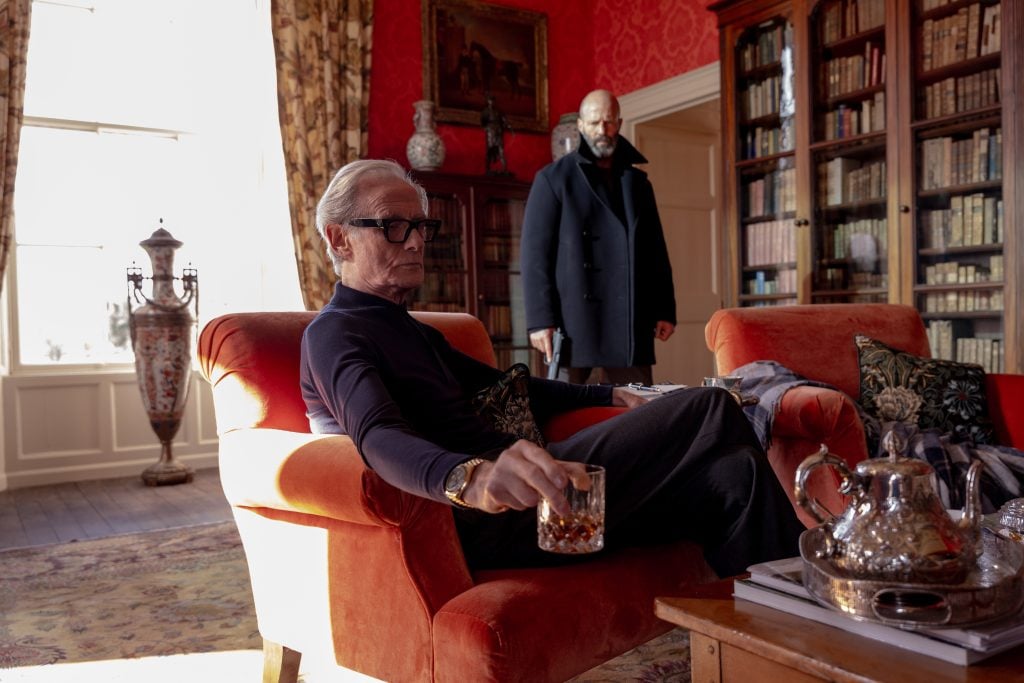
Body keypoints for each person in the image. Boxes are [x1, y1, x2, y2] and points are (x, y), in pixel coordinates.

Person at [299, 158, 803, 577]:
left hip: (533, 491)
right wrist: (472, 480)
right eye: (393, 226)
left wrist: (609, 395)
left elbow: (510, 386)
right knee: (711, 405)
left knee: (735, 475)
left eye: (420, 227)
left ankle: (773, 630)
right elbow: (377, 434)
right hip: (487, 514)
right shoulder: (334, 334)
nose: (415, 242)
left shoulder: (412, 331)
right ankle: (812, 581)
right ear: (340, 239)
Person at [521, 89, 675, 385]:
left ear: (619, 123)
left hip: (629, 320)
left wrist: (664, 309)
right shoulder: (553, 179)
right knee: (561, 408)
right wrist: (540, 321)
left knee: (640, 408)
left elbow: (655, 251)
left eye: (608, 121)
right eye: (594, 123)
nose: (602, 130)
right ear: (580, 125)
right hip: (571, 321)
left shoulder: (639, 183)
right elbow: (534, 257)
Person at [481, 93, 511, 174]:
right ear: (488, 101)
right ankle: (487, 169)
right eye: (490, 100)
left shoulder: (498, 111)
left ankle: (504, 169)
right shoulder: (486, 111)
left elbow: (503, 120)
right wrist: (486, 128)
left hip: (498, 132)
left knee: (501, 150)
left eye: (493, 100)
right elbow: (483, 122)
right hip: (491, 132)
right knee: (490, 150)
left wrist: (506, 124)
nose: (492, 102)